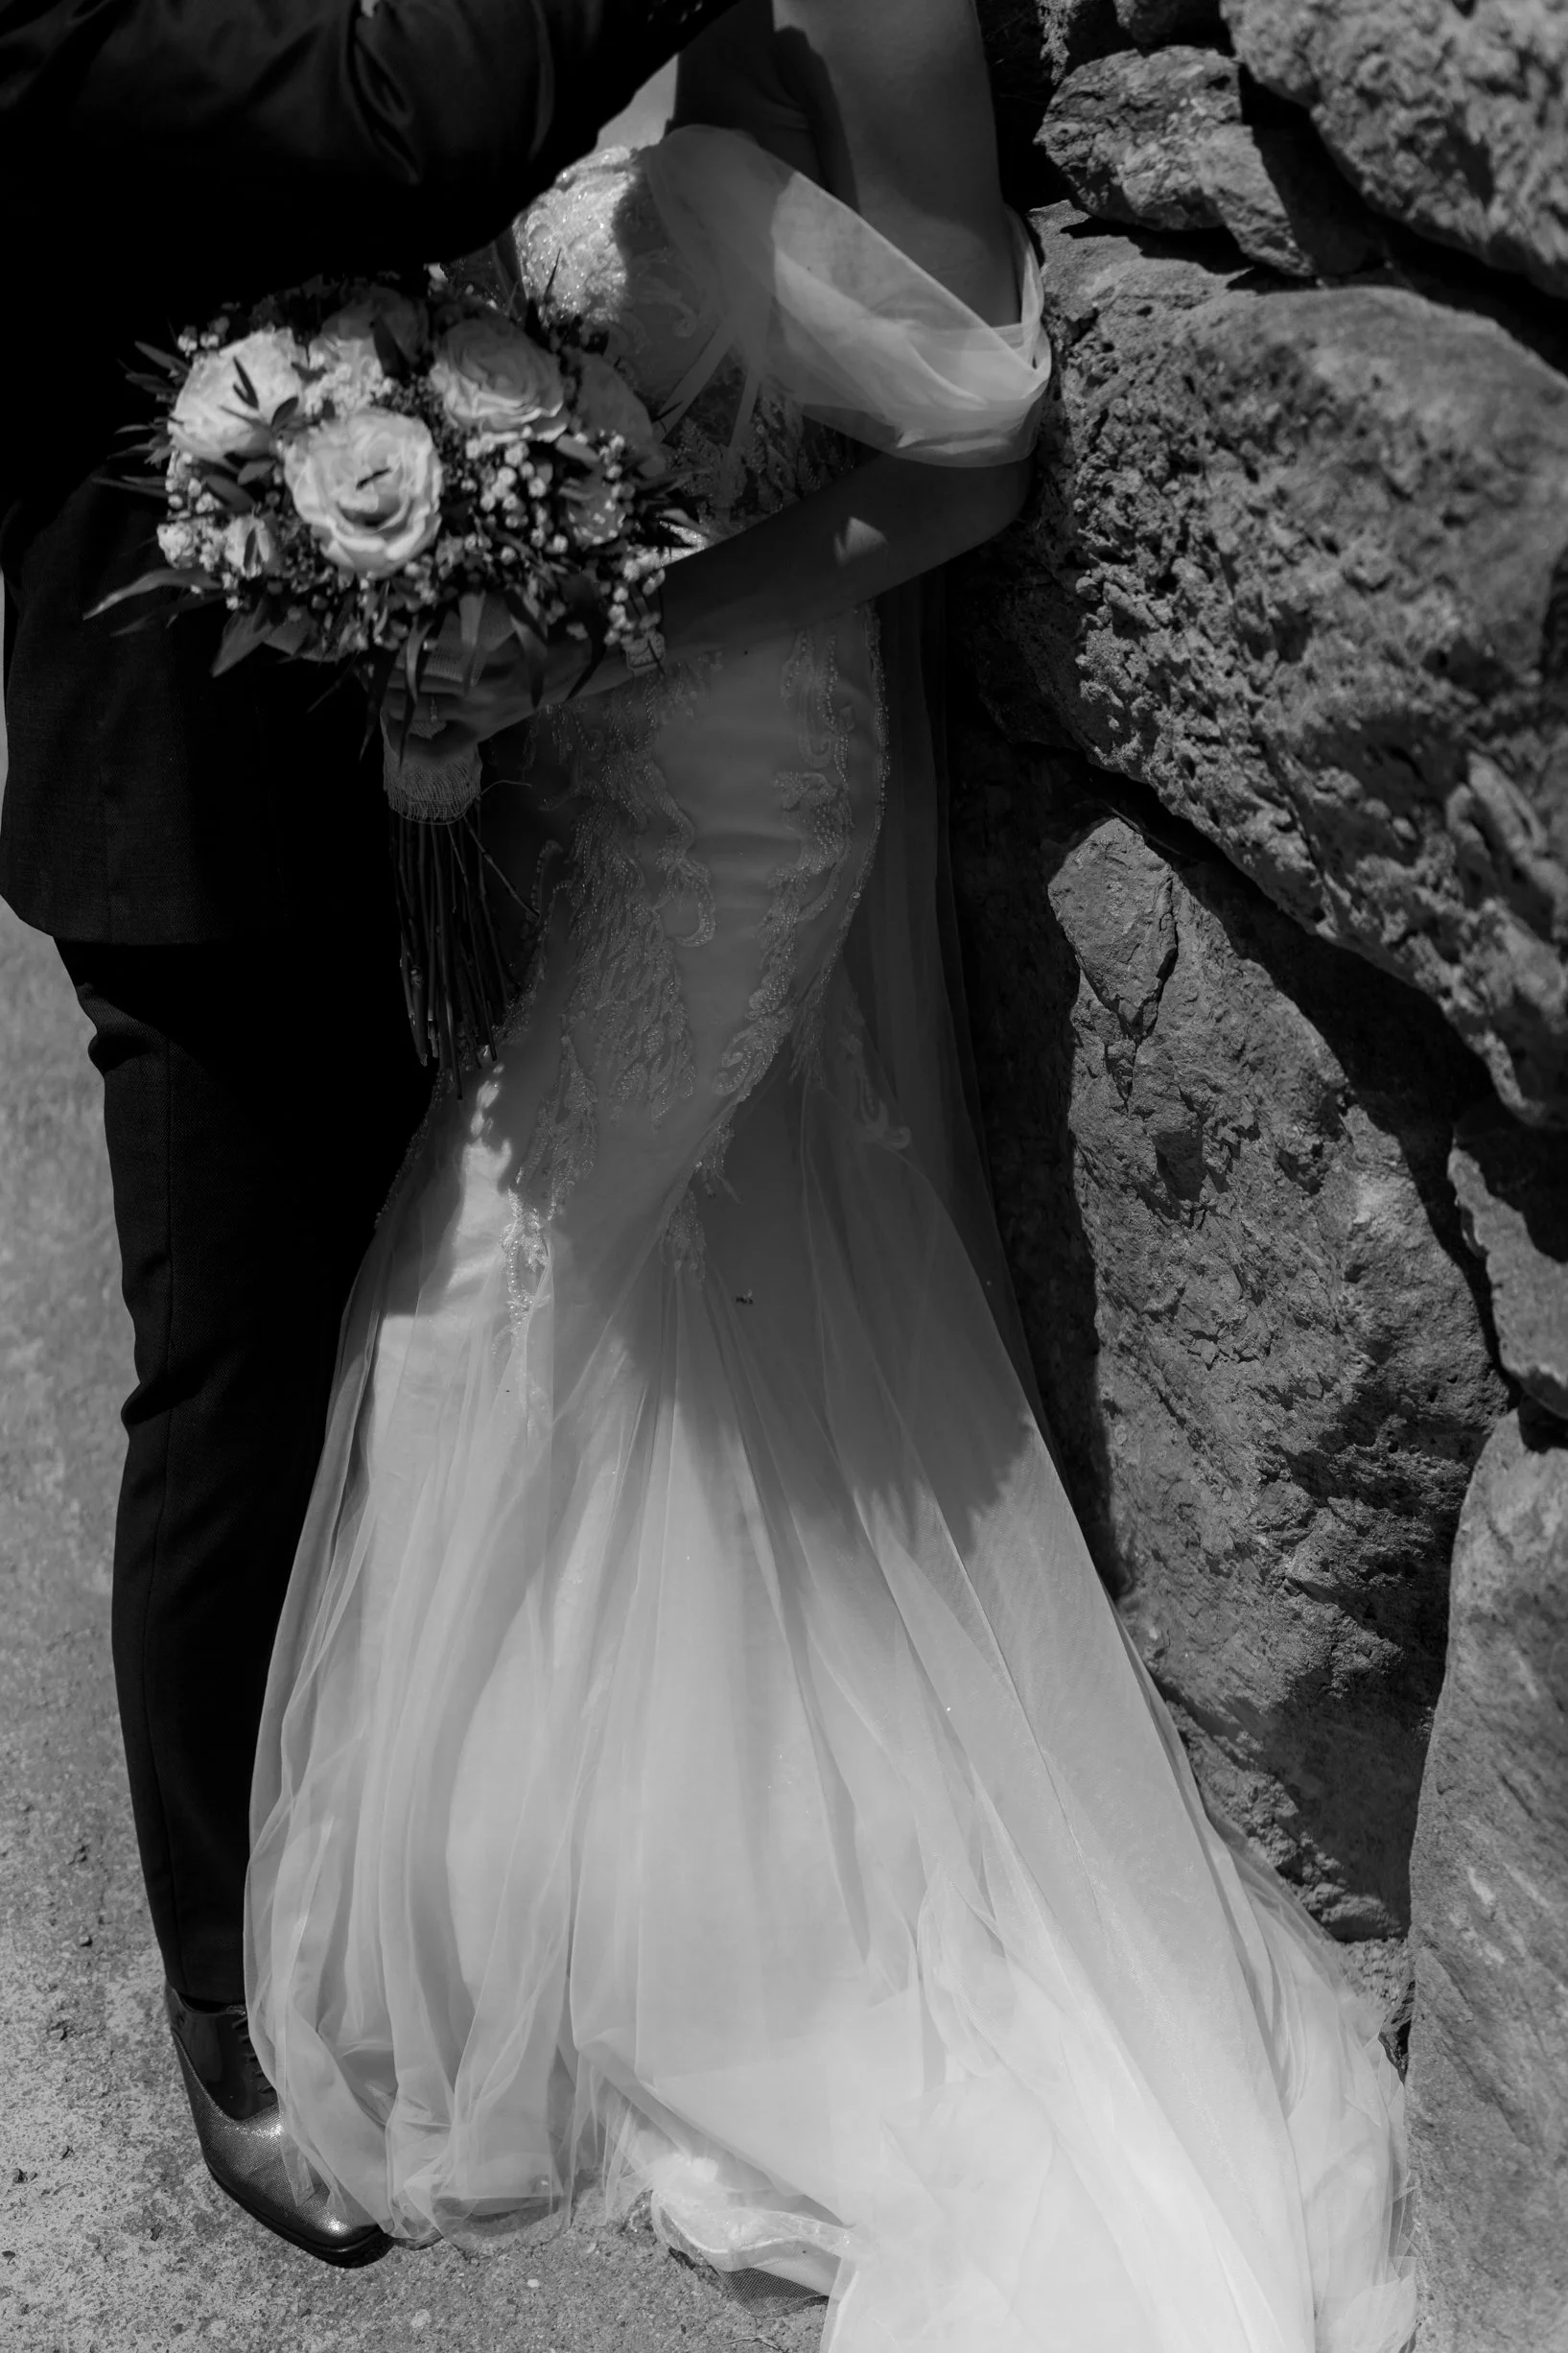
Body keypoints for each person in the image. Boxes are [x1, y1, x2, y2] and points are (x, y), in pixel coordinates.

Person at [246, 1, 1418, 2342]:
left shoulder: (869, 7)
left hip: (740, 763)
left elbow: (974, 435)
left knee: (476, 1292)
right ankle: (618, 1882)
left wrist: (616, 629)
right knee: (664, 1321)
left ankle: (639, 1933)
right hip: (581, 747)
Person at [0, 0, 739, 2269]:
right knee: (233, 1379)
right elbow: (419, 115)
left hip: (421, 709)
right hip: (189, 800)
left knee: (412, 1320)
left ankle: (409, 1865)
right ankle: (232, 2004)